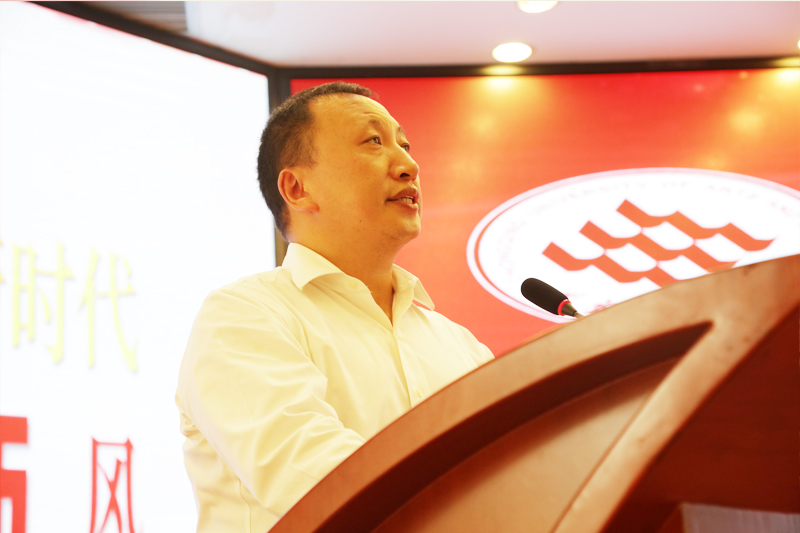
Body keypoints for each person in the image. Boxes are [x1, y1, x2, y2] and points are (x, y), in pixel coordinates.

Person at [175, 81, 494, 532]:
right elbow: (317, 478)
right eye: (374, 142)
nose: (409, 165)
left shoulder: (461, 347)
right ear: (297, 188)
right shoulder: (243, 317)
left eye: (405, 145)